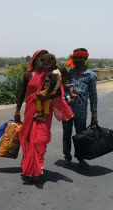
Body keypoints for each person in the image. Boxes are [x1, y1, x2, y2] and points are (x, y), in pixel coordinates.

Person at [14, 50, 73, 183]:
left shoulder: (50, 75)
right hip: (30, 111)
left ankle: (36, 168)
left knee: (39, 140)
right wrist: (17, 110)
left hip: (44, 113)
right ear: (35, 59)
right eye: (40, 58)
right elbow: (22, 93)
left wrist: (46, 95)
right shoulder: (28, 75)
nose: (42, 61)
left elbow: (57, 93)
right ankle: (31, 171)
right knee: (29, 139)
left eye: (45, 59)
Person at [62, 48, 98, 169]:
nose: (77, 61)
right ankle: (67, 157)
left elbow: (93, 97)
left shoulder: (91, 75)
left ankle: (81, 159)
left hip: (81, 112)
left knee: (80, 136)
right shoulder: (69, 73)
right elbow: (64, 89)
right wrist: (67, 95)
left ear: (85, 59)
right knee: (66, 135)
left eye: (79, 59)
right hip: (67, 110)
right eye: (75, 59)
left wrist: (94, 115)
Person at [34, 54, 61, 122]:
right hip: (52, 90)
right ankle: (45, 117)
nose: (44, 66)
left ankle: (39, 111)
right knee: (46, 103)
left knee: (38, 96)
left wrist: (47, 93)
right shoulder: (55, 70)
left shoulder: (53, 72)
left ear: (51, 63)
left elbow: (53, 83)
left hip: (50, 90)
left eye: (46, 64)